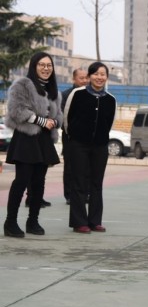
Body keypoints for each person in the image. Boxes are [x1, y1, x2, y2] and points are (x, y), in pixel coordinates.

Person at [3, 52, 62, 238]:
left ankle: (33, 221)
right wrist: (42, 121)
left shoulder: (54, 91)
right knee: (21, 180)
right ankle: (10, 222)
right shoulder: (22, 85)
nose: (46, 68)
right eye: (42, 65)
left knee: (39, 182)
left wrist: (54, 121)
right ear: (34, 66)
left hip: (43, 140)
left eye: (49, 65)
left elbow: (58, 115)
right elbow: (16, 109)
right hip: (26, 138)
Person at [63, 62, 116, 233]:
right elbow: (67, 119)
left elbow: (109, 124)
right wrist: (75, 136)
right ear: (90, 76)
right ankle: (79, 222)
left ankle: (95, 221)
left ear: (106, 77)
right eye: (96, 74)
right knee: (78, 182)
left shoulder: (110, 99)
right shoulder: (77, 94)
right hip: (78, 144)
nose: (99, 77)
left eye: (103, 74)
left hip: (100, 147)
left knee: (96, 183)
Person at [61, 68, 89, 205]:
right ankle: (69, 195)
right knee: (70, 167)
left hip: (87, 137)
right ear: (74, 79)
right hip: (70, 136)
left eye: (86, 78)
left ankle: (84, 193)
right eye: (81, 78)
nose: (85, 81)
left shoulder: (91, 94)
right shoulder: (66, 95)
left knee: (86, 166)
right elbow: (62, 117)